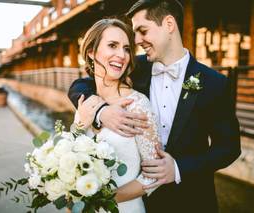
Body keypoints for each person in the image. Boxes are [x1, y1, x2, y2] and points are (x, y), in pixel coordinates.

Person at [68, 0, 241, 212]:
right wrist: (101, 111)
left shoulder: (215, 83)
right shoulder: (134, 66)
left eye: (142, 31)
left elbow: (229, 148)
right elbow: (83, 83)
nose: (137, 41)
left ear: (169, 24)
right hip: (143, 202)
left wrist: (178, 169)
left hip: (192, 199)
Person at [71, 18, 163, 213]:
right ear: (91, 52)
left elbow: (154, 175)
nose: (122, 55)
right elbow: (72, 154)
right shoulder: (87, 103)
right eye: (112, 45)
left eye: (127, 49)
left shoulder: (138, 105)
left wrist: (104, 199)